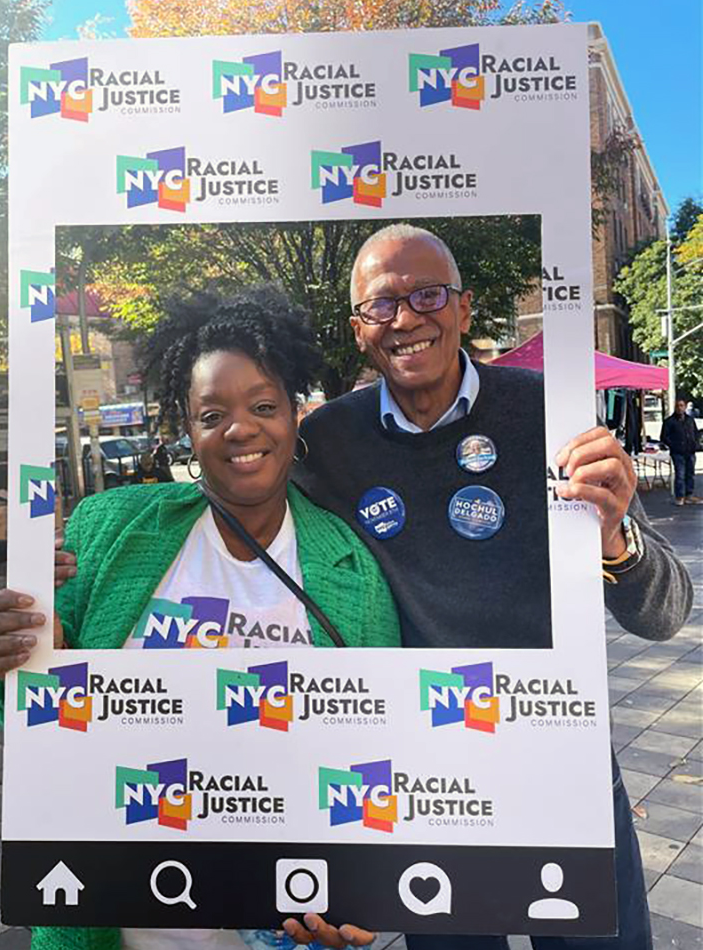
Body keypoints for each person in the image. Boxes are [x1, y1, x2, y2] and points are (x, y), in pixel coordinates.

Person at [291, 224, 693, 950]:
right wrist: (72, 579)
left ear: (466, 309)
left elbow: (666, 614)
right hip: (429, 784)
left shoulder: (553, 413)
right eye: (383, 305)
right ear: (359, 331)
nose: (407, 317)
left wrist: (615, 540)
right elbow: (233, 524)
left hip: (560, 766)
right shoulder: (326, 444)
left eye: (429, 294)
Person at [0, 287, 399, 950]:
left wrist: (365, 888)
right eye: (213, 413)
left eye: (264, 406)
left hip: (284, 925)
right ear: (189, 425)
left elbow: (383, 748)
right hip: (114, 920)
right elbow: (24, 718)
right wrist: (25, 658)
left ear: (295, 414)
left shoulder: (352, 567)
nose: (241, 429)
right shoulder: (107, 532)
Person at [660, 397, 702, 506]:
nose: (680, 408)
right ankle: (679, 497)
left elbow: (695, 433)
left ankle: (689, 495)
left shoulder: (690, 420)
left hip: (690, 451)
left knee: (690, 474)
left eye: (682, 405)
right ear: (675, 407)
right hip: (678, 453)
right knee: (680, 474)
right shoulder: (669, 421)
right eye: (677, 406)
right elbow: (664, 437)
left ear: (685, 407)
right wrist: (674, 446)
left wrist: (695, 444)